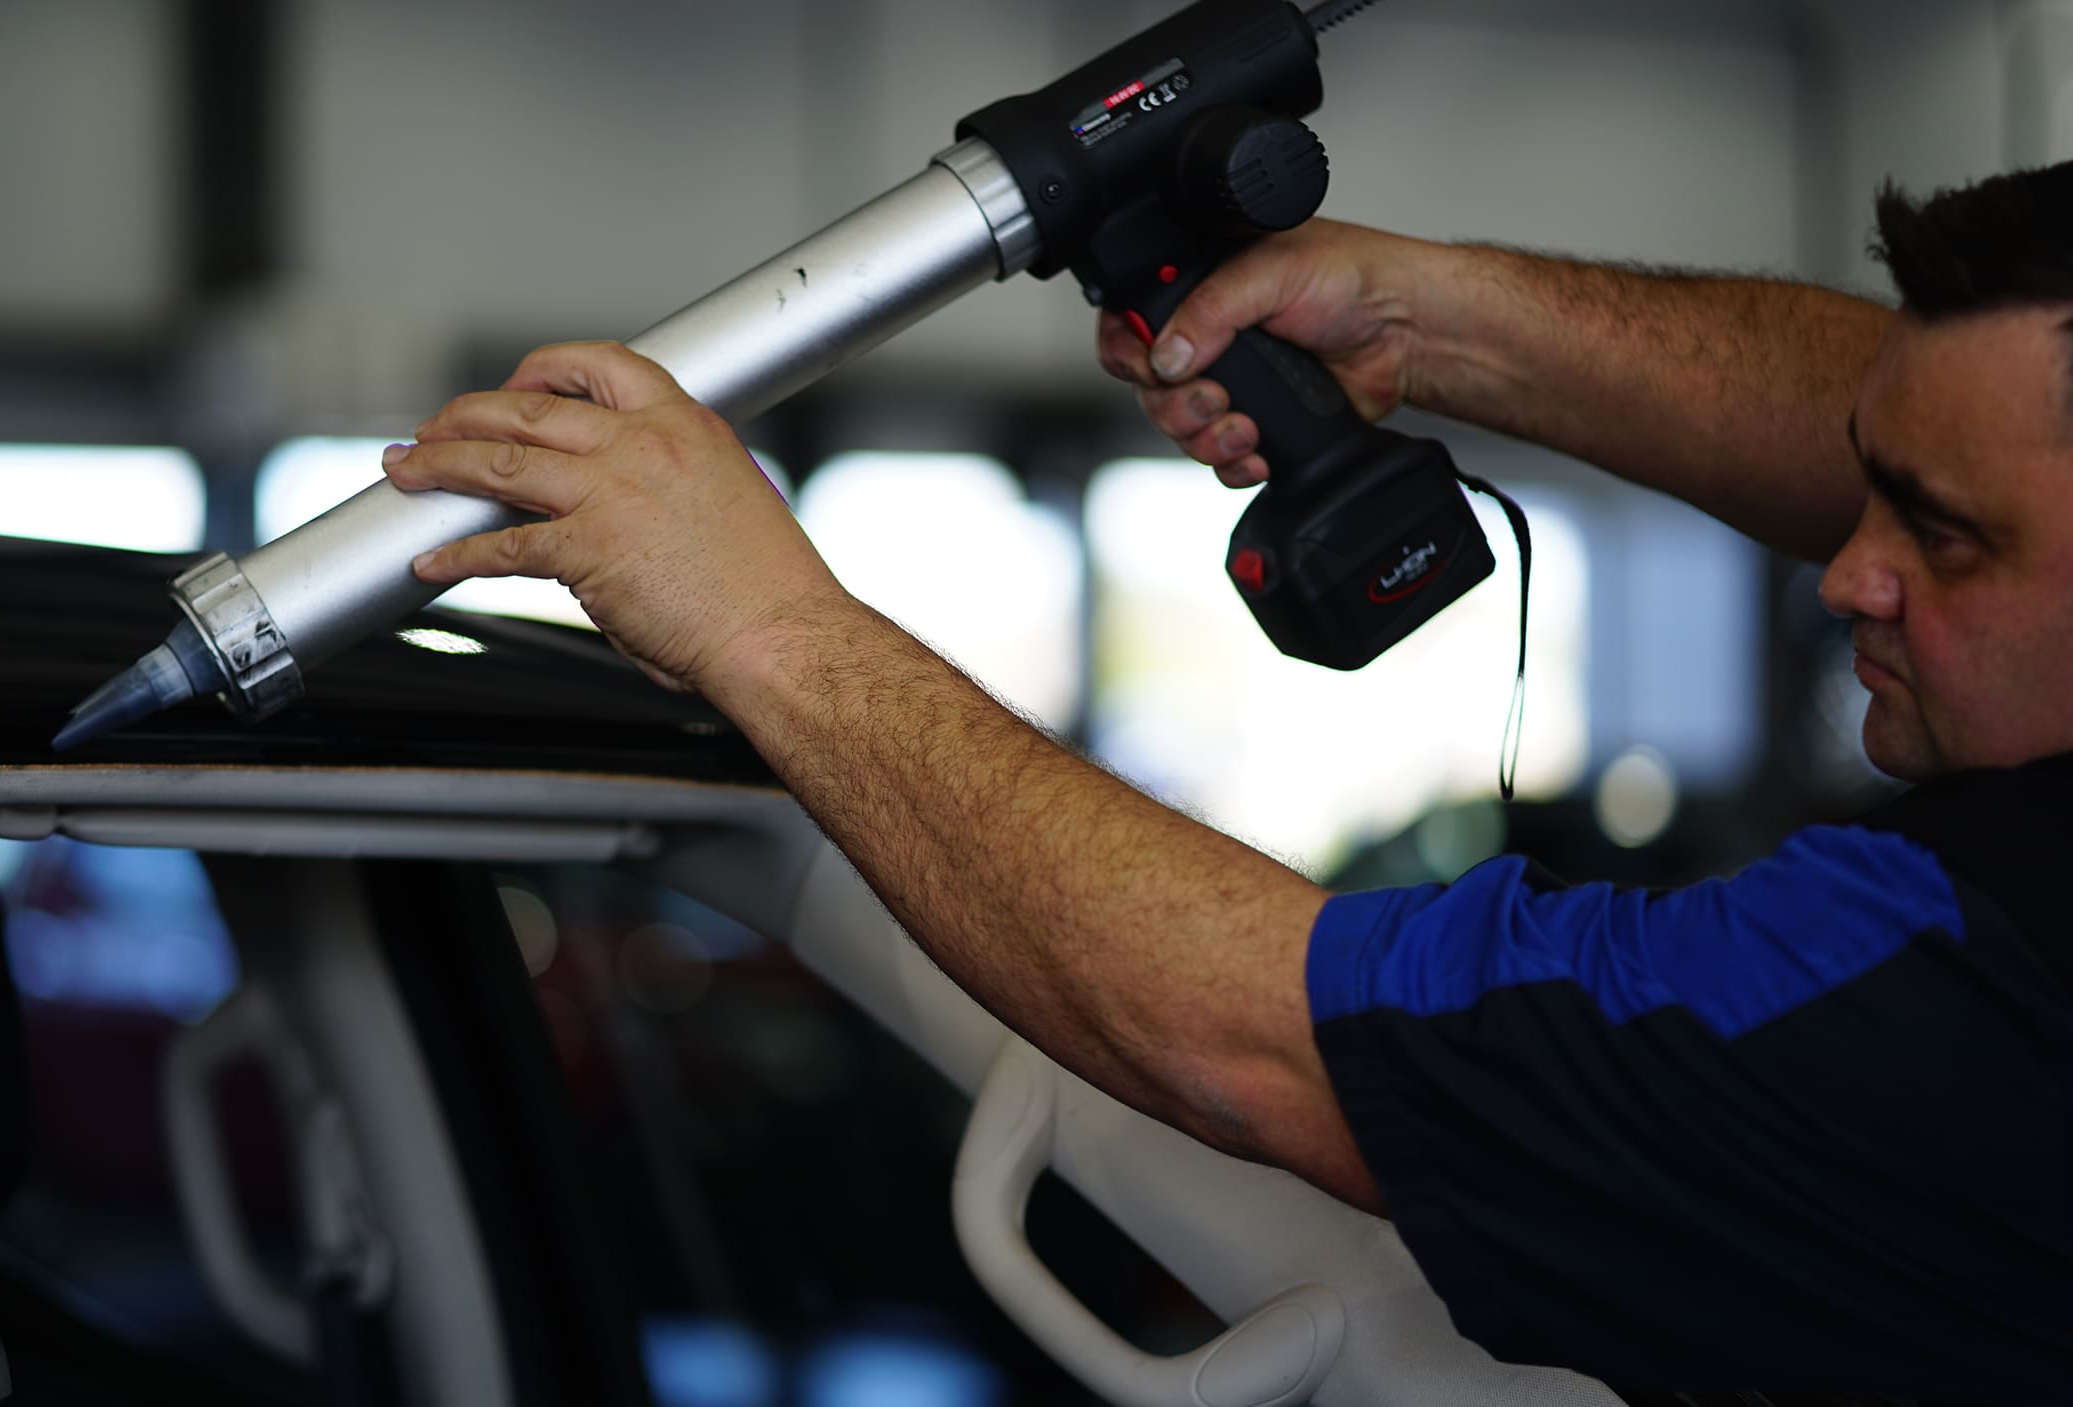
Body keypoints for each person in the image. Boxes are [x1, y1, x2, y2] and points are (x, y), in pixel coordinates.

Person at [377, 165, 2073, 1401]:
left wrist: (769, 627)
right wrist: (1428, 327)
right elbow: (1961, 430)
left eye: (1940, 538)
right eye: (1861, 494)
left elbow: (1271, 1042)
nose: (1845, 576)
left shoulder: (1974, 972)